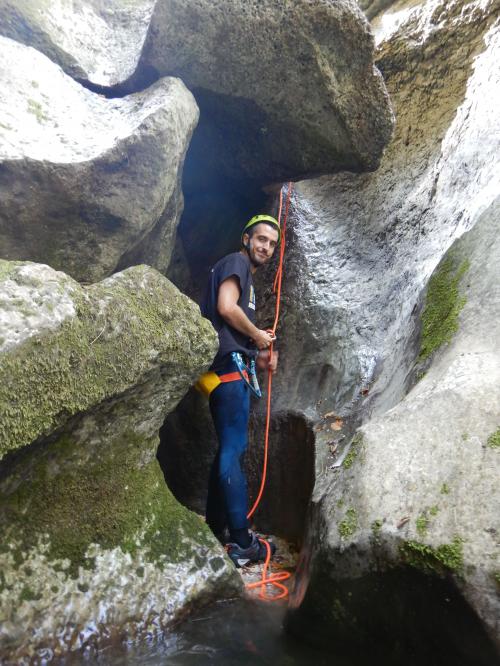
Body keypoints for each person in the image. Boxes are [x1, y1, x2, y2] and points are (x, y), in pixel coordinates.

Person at [200, 215, 280, 567]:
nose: (265, 247)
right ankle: (243, 541)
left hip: (227, 368)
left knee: (227, 448)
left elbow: (231, 323)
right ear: (246, 239)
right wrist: (259, 336)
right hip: (227, 368)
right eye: (260, 239)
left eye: (272, 243)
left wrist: (258, 354)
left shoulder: (244, 273)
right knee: (233, 448)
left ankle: (217, 526)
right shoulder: (236, 263)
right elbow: (225, 308)